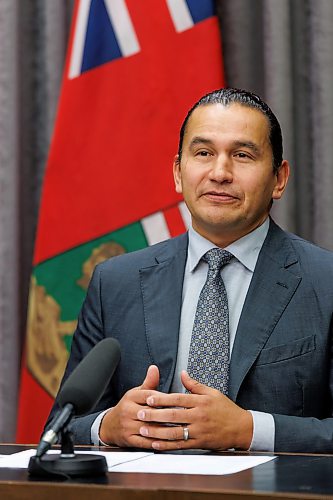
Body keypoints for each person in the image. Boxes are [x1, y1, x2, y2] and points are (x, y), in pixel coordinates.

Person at [49, 88, 333, 453]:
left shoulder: (324, 282)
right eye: (203, 153)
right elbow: (61, 426)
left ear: (279, 178)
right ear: (179, 173)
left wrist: (249, 430)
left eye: (242, 155)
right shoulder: (115, 282)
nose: (220, 172)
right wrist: (110, 425)